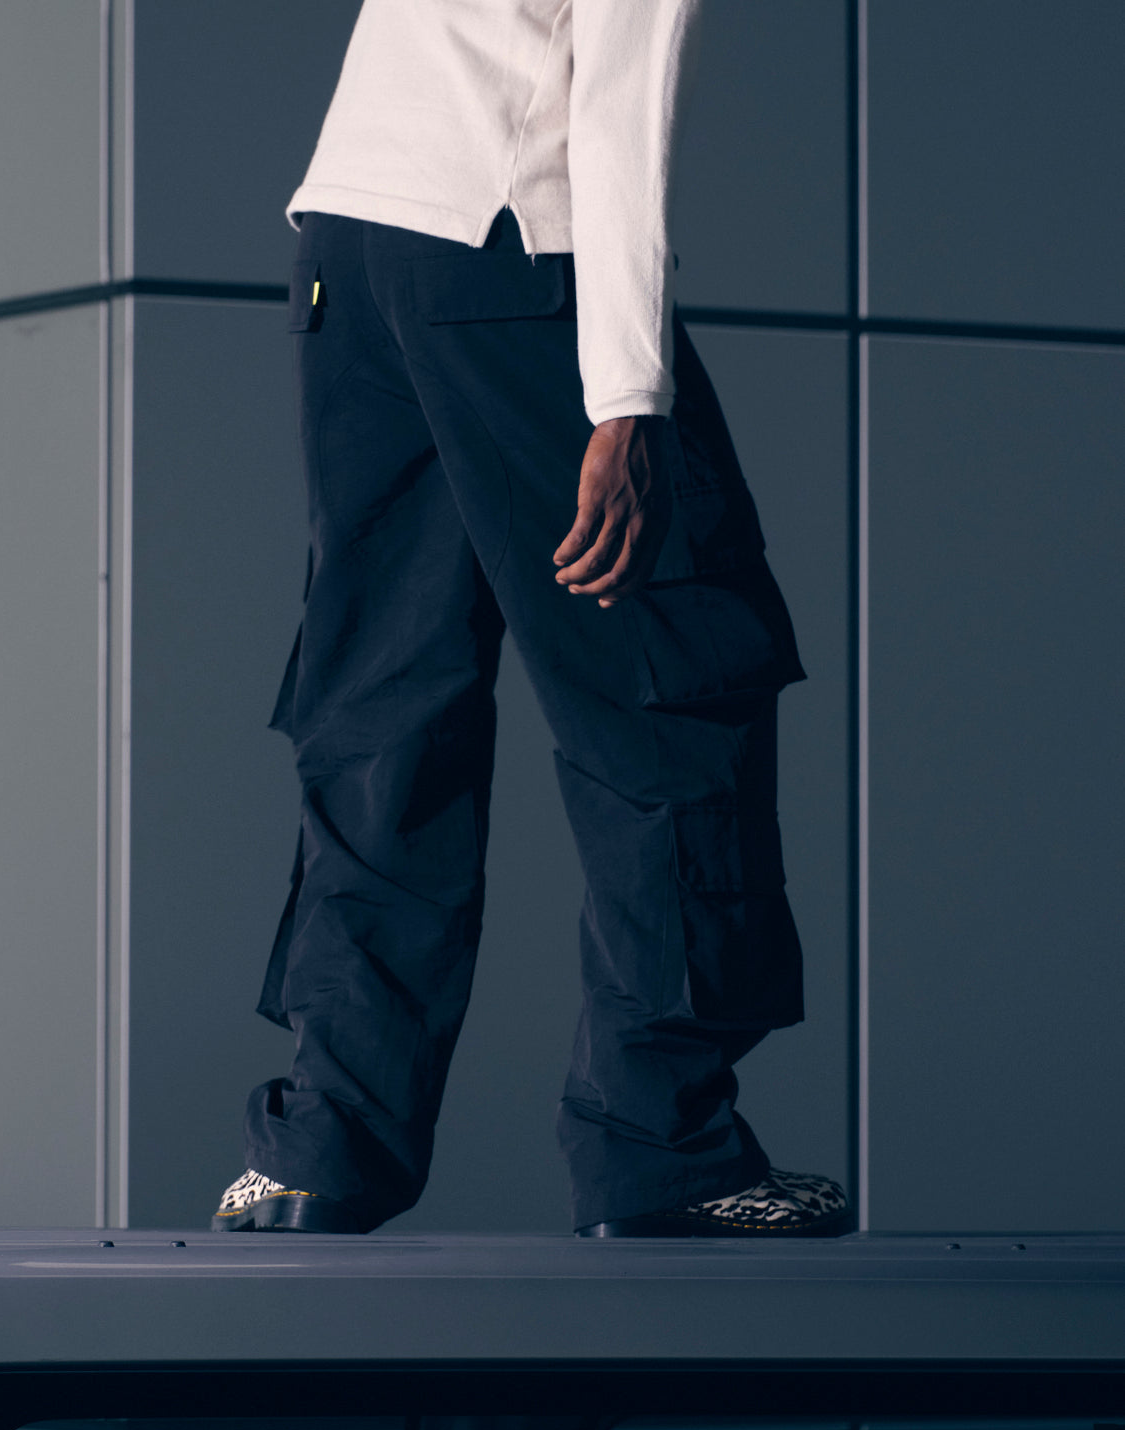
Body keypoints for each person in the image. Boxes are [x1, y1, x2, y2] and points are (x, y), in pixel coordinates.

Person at [211, 0, 850, 1238]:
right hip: (507, 246)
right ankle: (662, 1149)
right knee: (671, 672)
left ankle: (322, 1149)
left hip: (348, 251)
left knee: (385, 699)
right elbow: (617, 113)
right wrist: (629, 398)